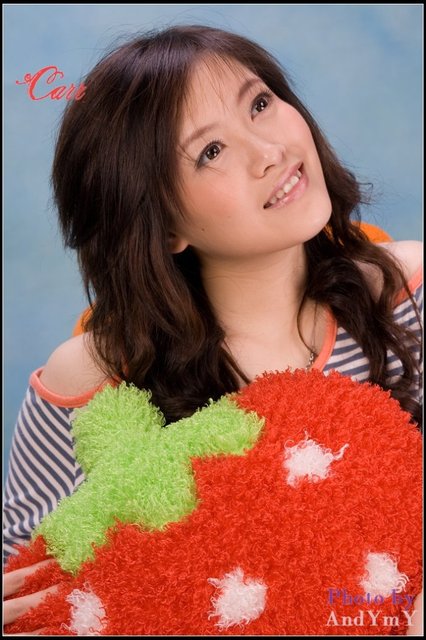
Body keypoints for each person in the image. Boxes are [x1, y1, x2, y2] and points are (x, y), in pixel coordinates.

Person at [3, 24, 423, 635]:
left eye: (260, 103)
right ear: (162, 223)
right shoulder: (91, 382)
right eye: (212, 151)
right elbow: (24, 585)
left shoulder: (409, 298)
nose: (269, 151)